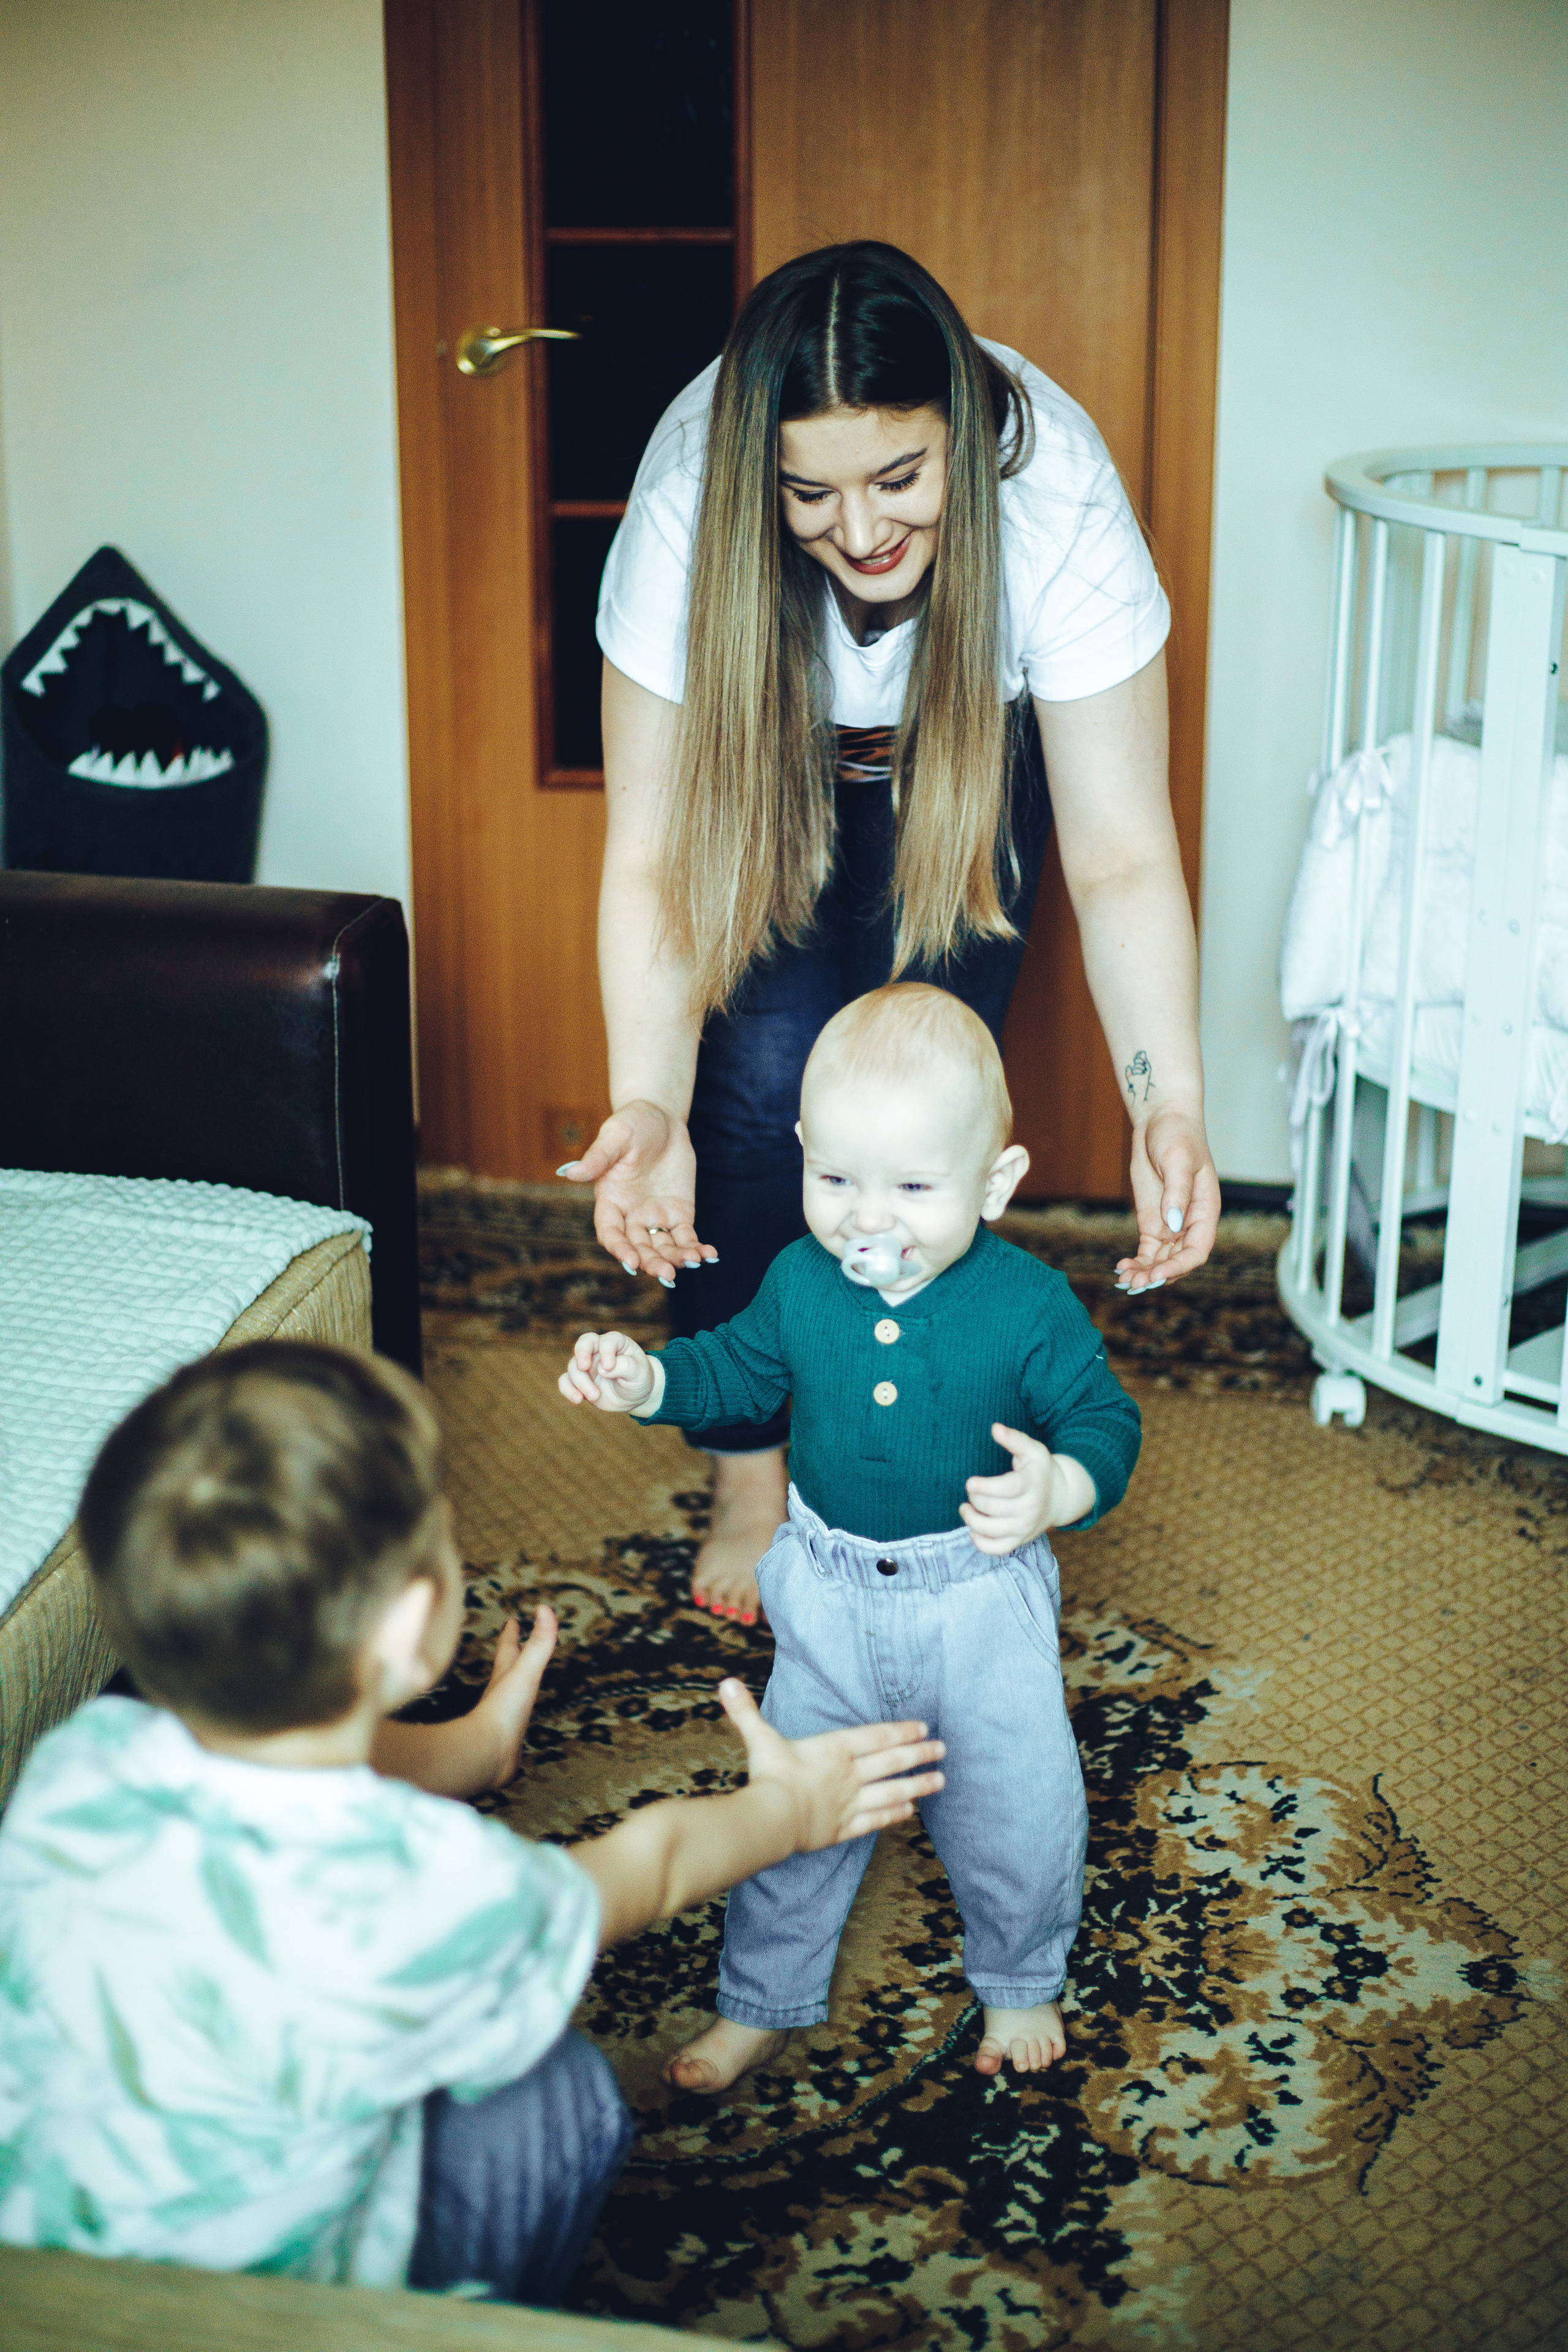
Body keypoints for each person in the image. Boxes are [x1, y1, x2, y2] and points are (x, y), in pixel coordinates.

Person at [558, 239, 1217, 1629]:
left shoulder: (1054, 496)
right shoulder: (688, 505)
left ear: (962, 448)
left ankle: (914, 1427)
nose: (857, 532)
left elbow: (1117, 855)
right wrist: (646, 1099)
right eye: (810, 494)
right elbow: (654, 857)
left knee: (918, 1104)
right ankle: (751, 1473)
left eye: (898, 481)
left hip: (965, 765)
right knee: (751, 1095)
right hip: (767, 761)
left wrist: (1171, 1103)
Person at [0, 1342, 944, 2303]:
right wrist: (789, 1809)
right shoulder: (434, 1888)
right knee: (559, 2090)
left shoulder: (77, 1763)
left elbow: (280, 1756)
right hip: (264, 2317)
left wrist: (478, 1742)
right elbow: (647, 1867)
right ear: (415, 1627)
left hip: (36, 2280)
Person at [560, 984, 1139, 2094]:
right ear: (803, 1155)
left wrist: (1060, 1487)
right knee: (793, 1806)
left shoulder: (1025, 1305)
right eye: (835, 1179)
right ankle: (760, 1997)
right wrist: (647, 1383)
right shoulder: (799, 1280)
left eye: (915, 1187)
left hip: (978, 1594)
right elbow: (733, 1370)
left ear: (997, 1183)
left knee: (1018, 1805)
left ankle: (1020, 1979)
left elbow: (1107, 1421)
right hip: (824, 1589)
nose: (866, 1219)